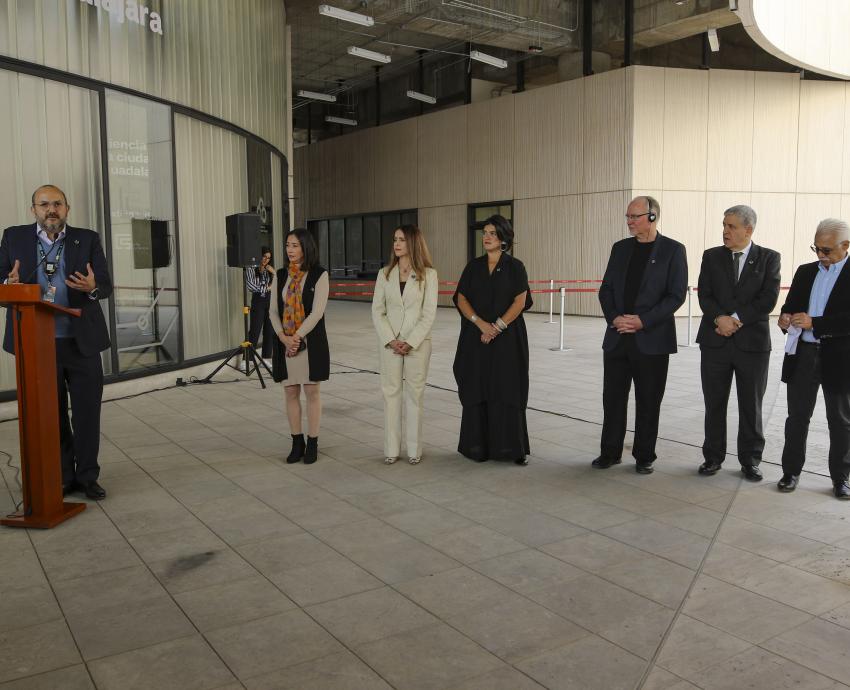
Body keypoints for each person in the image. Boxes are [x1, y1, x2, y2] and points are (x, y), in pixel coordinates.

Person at [0, 185, 112, 500]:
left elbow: (104, 284)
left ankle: (88, 476)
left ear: (67, 208)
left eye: (57, 204)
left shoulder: (87, 238)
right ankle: (64, 475)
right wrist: (10, 286)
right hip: (36, 342)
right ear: (33, 208)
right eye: (44, 204)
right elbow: (0, 283)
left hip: (81, 342)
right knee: (53, 413)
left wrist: (92, 287)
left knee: (88, 413)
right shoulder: (13, 237)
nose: (52, 209)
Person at [595, 196, 687, 474]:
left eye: (635, 216)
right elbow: (606, 289)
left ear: (652, 216)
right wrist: (616, 318)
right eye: (628, 217)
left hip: (652, 339)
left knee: (648, 400)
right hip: (617, 337)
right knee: (612, 399)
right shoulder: (620, 249)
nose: (629, 222)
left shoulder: (673, 250)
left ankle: (644, 455)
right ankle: (609, 452)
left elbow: (675, 296)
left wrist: (642, 321)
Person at [696, 205, 780, 481]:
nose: (725, 231)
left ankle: (750, 461)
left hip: (752, 346)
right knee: (714, 403)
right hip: (715, 342)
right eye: (724, 225)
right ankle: (712, 457)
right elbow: (705, 295)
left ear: (749, 229)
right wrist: (719, 318)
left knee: (751, 406)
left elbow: (768, 299)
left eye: (731, 226)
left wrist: (735, 319)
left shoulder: (769, 258)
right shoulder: (711, 257)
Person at [777, 218, 850, 499]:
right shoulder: (806, 272)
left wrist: (815, 324)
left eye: (827, 250)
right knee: (797, 417)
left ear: (845, 246)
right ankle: (790, 472)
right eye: (816, 248)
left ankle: (841, 479)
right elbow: (791, 305)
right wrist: (785, 318)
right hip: (804, 354)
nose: (820, 255)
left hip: (839, 357)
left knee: (841, 421)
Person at [453, 215, 532, 465]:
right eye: (485, 233)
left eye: (492, 233)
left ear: (503, 238)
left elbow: (520, 301)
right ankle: (478, 447)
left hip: (507, 340)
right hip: (476, 338)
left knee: (507, 388)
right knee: (478, 387)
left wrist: (496, 327)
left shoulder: (515, 267)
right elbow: (461, 298)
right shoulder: (473, 266)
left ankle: (512, 449)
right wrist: (480, 323)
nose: (486, 237)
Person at [371, 225, 438, 465]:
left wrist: (409, 342)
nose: (396, 244)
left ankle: (414, 449)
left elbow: (428, 314)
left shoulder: (428, 275)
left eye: (401, 240)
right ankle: (391, 449)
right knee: (391, 395)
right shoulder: (384, 274)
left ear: (413, 243)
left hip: (417, 344)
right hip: (389, 344)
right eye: (395, 239)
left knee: (414, 395)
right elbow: (377, 311)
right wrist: (391, 339)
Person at [269, 228, 329, 465]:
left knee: (312, 391)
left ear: (306, 247)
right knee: (290, 392)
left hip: (310, 342)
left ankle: (313, 442)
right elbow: (274, 310)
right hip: (285, 343)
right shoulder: (280, 275)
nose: (290, 250)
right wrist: (284, 337)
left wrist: (298, 336)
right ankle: (297, 442)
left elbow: (317, 312)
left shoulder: (319, 275)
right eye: (287, 245)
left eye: (294, 245)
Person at [246, 247, 275, 359]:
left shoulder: (269, 270)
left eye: (268, 258)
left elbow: (281, 281)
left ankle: (266, 358)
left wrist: (274, 272)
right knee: (254, 331)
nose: (266, 260)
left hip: (269, 303)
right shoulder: (251, 268)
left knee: (269, 332)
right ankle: (247, 359)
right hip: (258, 303)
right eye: (264, 256)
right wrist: (268, 288)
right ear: (259, 256)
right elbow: (251, 286)